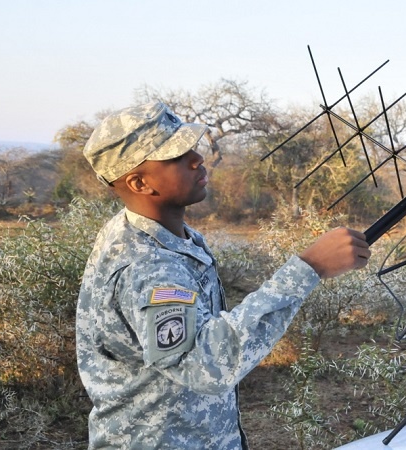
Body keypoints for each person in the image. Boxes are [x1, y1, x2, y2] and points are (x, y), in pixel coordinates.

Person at [76, 101, 371, 449]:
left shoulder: (163, 236)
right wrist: (309, 268)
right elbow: (206, 365)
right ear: (139, 183)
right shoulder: (145, 264)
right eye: (175, 155)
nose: (197, 158)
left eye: (191, 146)